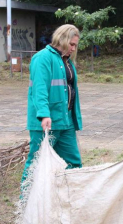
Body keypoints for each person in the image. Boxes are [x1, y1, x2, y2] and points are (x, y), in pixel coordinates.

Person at [21, 24, 83, 185]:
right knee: (36, 163)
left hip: (65, 121)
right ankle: (27, 204)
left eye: (75, 45)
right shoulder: (43, 58)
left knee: (74, 164)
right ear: (61, 39)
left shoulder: (66, 61)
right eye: (71, 44)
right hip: (46, 122)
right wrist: (44, 114)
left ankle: (70, 198)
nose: (73, 49)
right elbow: (39, 89)